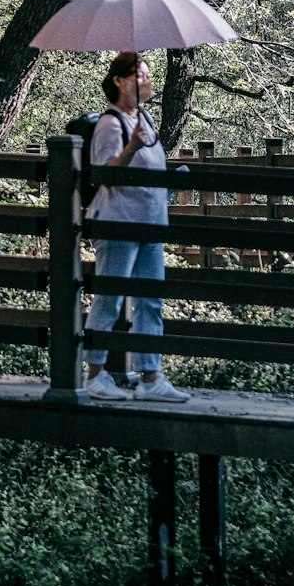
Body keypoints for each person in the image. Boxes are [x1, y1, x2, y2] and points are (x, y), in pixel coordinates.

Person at [83, 51, 189, 403]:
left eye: (148, 74)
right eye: (140, 75)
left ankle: (151, 376)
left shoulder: (145, 119)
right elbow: (106, 176)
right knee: (110, 298)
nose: (147, 80)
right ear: (119, 81)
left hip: (150, 225)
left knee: (150, 301)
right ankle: (95, 375)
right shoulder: (110, 124)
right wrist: (131, 144)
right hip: (119, 223)